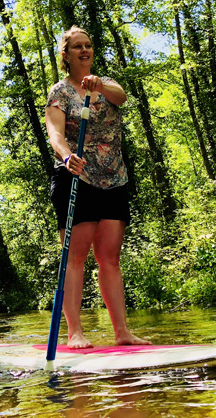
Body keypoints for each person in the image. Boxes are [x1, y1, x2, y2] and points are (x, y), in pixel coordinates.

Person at [45, 25, 150, 349]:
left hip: (114, 178)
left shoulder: (107, 85)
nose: (85, 50)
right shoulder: (59, 92)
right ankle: (75, 332)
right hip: (77, 177)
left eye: (88, 45)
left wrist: (99, 84)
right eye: (78, 47)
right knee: (75, 257)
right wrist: (66, 157)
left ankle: (122, 332)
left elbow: (122, 96)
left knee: (110, 258)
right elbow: (55, 135)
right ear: (66, 55)